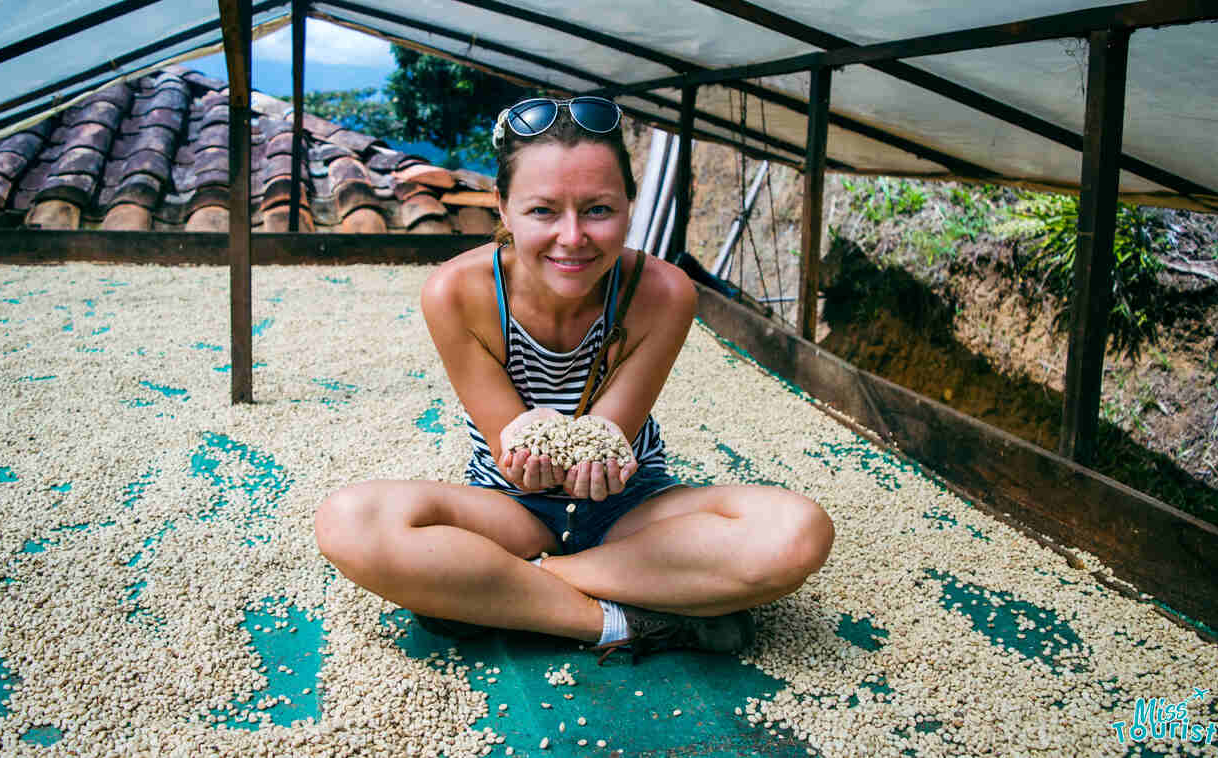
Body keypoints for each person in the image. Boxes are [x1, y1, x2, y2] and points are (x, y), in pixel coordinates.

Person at [314, 96, 834, 661]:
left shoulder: (664, 292)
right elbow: (510, 448)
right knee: (349, 522)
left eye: (598, 210)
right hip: (510, 508)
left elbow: (606, 438)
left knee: (797, 531)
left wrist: (597, 454)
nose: (572, 237)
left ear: (630, 205)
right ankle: (620, 619)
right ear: (503, 208)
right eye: (542, 211)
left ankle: (512, 587)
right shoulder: (455, 292)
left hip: (631, 507)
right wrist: (522, 445)